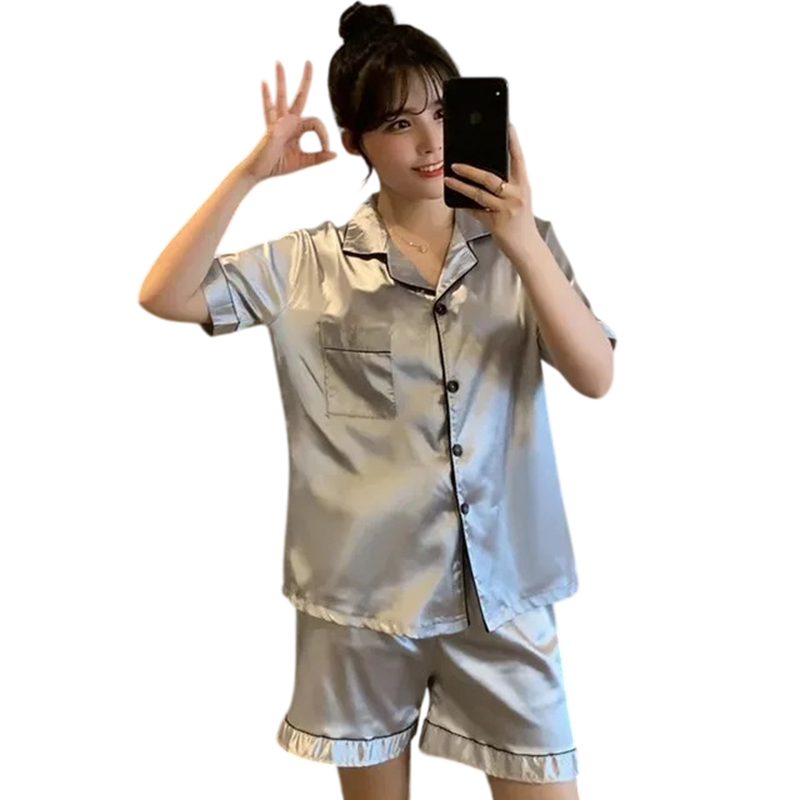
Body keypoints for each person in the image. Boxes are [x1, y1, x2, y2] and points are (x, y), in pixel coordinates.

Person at [138, 3, 617, 798]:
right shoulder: (308, 265)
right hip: (360, 607)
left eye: (442, 112)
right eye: (399, 123)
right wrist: (250, 174)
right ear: (355, 140)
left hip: (503, 595)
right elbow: (164, 294)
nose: (430, 141)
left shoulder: (522, 249)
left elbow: (596, 375)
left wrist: (523, 240)